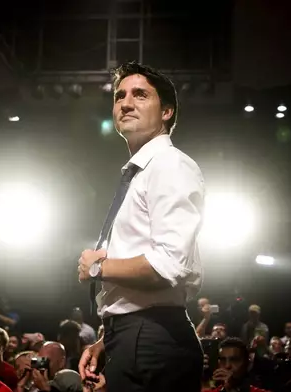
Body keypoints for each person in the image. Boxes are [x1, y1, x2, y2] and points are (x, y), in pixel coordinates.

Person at [77, 61, 205, 391]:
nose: (126, 102)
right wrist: (106, 340)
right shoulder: (141, 172)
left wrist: (97, 268)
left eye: (140, 95)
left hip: (152, 339)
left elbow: (168, 265)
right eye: (119, 96)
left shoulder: (169, 165)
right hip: (135, 336)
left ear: (167, 112)